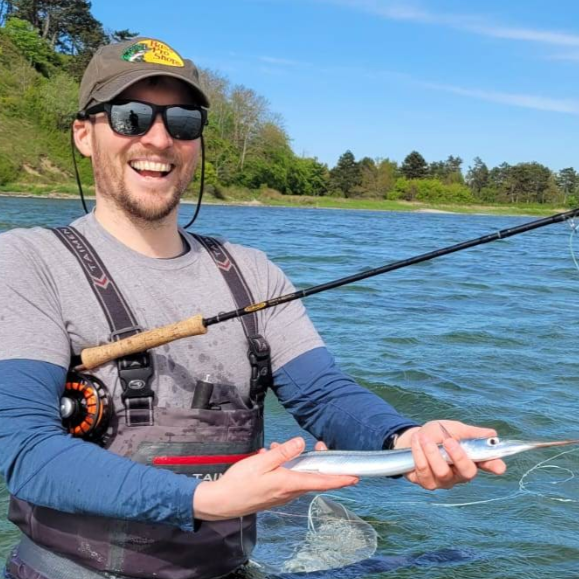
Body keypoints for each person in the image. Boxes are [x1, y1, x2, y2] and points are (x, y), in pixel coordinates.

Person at [0, 37, 506, 579]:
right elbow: (26, 451)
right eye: (131, 116)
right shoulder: (28, 262)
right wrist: (205, 498)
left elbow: (324, 394)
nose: (158, 138)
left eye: (183, 121)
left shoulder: (252, 272)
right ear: (84, 133)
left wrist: (403, 438)